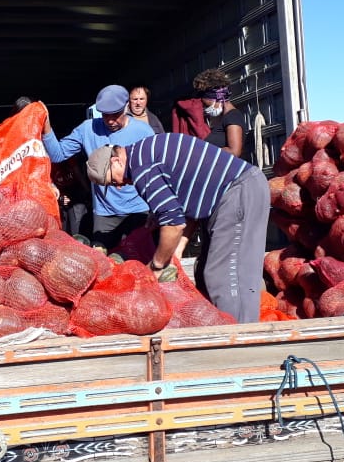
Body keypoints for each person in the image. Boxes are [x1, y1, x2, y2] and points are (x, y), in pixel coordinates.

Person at [85, 133, 269, 323]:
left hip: (237, 192)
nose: (119, 186)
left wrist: (157, 265)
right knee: (205, 272)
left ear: (116, 161)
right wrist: (177, 252)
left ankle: (239, 345)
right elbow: (186, 206)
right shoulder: (144, 152)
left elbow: (173, 223)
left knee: (224, 277)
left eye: (114, 181)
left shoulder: (142, 169)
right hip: (233, 193)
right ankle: (225, 334)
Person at [42, 84, 155, 249]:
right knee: (103, 264)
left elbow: (153, 172)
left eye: (115, 115)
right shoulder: (87, 129)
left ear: (126, 107)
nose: (110, 120)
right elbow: (57, 154)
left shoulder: (144, 131)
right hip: (104, 215)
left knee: (139, 263)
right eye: (105, 115)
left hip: (139, 210)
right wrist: (46, 127)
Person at [193, 68, 247, 157]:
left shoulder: (233, 117)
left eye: (206, 104)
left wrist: (203, 153)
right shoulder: (222, 118)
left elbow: (234, 151)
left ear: (217, 97)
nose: (204, 108)